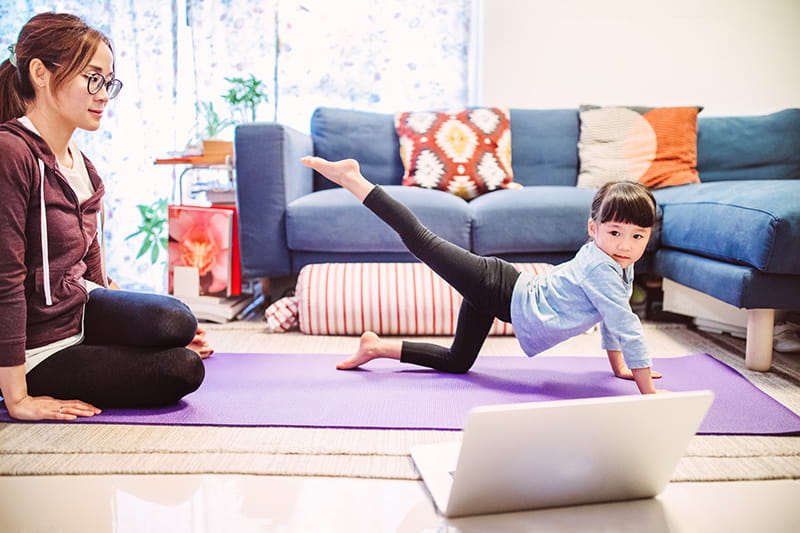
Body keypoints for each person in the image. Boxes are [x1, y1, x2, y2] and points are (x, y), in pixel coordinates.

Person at [302, 156, 666, 395]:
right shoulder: (601, 267)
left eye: (638, 236)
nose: (625, 245)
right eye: (615, 232)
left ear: (648, 236)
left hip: (500, 296)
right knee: (421, 240)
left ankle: (376, 347)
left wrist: (620, 368)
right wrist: (647, 392)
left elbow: (612, 318)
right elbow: (626, 324)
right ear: (593, 227)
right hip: (497, 286)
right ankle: (354, 180)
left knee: (458, 362)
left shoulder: (619, 263)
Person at [0, 13, 211, 421]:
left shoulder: (83, 164)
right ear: (40, 73)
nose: (103, 94)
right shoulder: (12, 152)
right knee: (181, 370)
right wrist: (18, 398)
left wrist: (141, 330)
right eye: (92, 78)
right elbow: (4, 278)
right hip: (34, 347)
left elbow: (91, 271)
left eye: (108, 81)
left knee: (177, 321)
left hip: (76, 315)